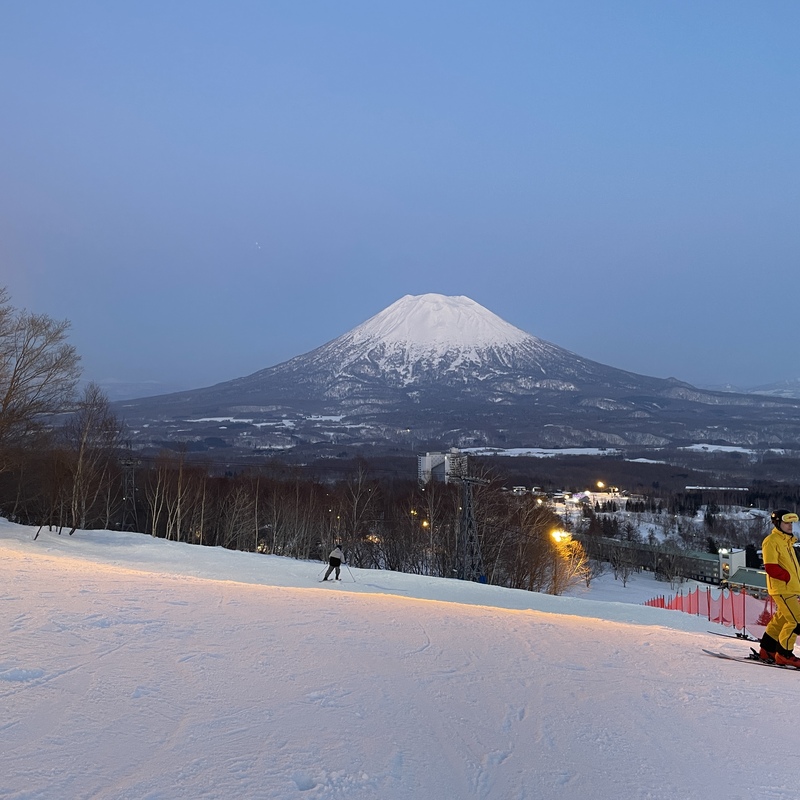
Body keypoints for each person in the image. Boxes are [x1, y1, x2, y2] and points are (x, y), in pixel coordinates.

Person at [758, 510, 800, 667]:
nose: (790, 526)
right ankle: (784, 654)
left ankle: (767, 650)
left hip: (790, 588)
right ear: (777, 523)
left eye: (791, 523)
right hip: (782, 589)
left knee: (781, 619)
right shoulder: (771, 541)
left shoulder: (787, 542)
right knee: (797, 621)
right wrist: (788, 578)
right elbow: (771, 567)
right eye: (787, 523)